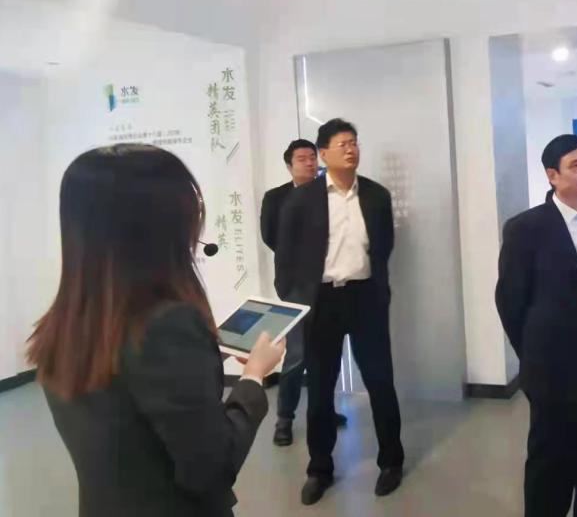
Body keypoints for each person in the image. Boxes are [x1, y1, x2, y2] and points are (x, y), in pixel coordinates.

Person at [27, 144, 285, 517]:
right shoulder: (167, 326)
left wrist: (195, 361)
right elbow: (213, 468)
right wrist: (253, 377)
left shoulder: (67, 322)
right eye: (192, 205)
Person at [274, 118, 405, 504]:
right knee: (320, 388)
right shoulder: (302, 199)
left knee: (380, 382)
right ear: (324, 153)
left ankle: (391, 461)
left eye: (354, 142)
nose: (351, 149)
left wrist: (380, 291)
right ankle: (319, 469)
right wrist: (295, 301)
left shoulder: (377, 196)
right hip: (321, 301)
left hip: (365, 299)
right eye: (342, 144)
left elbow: (384, 247)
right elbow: (286, 256)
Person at [496, 134, 577, 517]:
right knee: (551, 462)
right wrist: (534, 358)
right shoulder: (526, 228)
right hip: (553, 367)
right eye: (575, 165)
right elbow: (510, 301)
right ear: (553, 175)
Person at [259, 139, 346, 446]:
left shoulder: (331, 194)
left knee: (327, 353)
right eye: (302, 159)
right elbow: (271, 236)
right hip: (296, 285)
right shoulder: (276, 197)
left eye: (312, 157)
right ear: (289, 165)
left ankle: (325, 411)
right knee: (296, 354)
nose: (310, 163)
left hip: (330, 284)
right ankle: (284, 419)